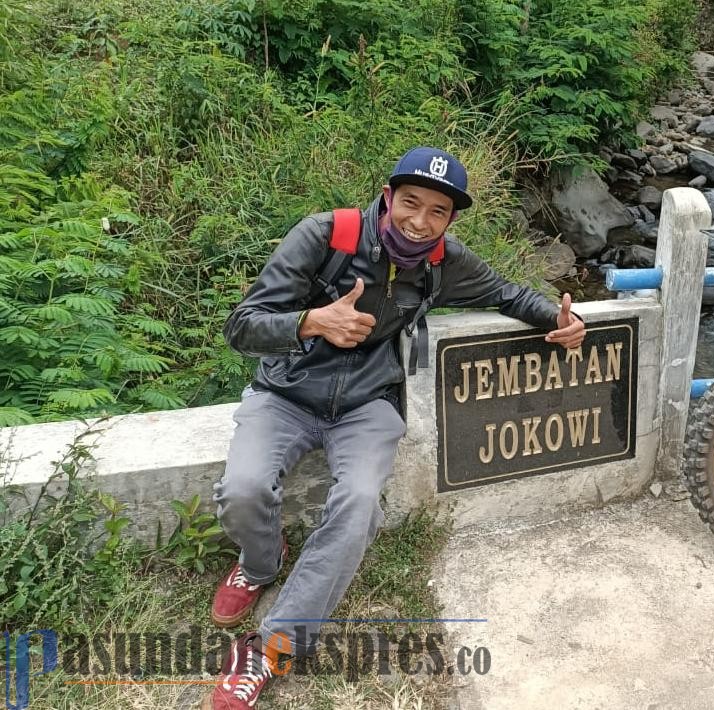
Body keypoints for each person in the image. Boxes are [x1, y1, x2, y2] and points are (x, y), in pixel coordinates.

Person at [202, 146, 586, 709]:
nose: (420, 221)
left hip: (369, 402)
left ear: (450, 220)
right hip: (285, 393)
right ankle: (260, 561)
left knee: (358, 502)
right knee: (244, 489)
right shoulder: (325, 236)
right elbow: (242, 327)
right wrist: (313, 321)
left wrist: (561, 318)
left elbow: (506, 292)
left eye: (438, 211)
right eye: (410, 203)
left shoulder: (443, 260)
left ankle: (273, 646)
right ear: (387, 198)